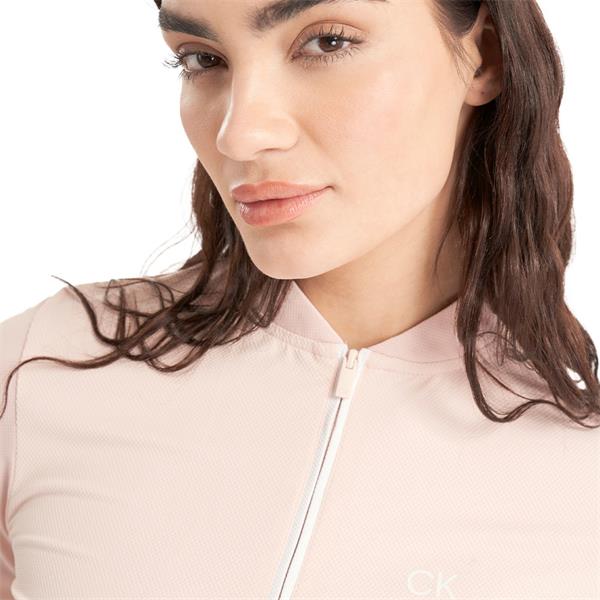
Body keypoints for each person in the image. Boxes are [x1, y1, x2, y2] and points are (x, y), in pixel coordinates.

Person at [1, 0, 599, 598]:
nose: (240, 133)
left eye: (328, 43)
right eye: (203, 59)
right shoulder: (37, 374)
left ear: (483, 58)